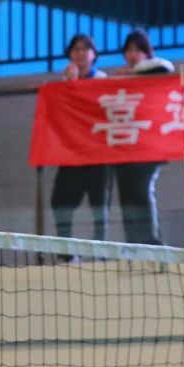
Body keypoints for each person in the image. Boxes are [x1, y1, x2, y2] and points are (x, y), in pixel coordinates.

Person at [110, 30, 173, 244]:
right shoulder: (122, 80)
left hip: (148, 145)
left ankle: (152, 242)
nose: (132, 54)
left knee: (141, 191)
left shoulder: (154, 70)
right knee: (126, 197)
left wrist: (131, 73)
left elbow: (165, 67)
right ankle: (133, 242)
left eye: (137, 50)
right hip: (125, 146)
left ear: (147, 52)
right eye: (128, 50)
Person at [50, 34, 109, 240]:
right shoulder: (64, 83)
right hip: (72, 154)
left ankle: (100, 251)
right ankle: (66, 251)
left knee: (99, 207)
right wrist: (69, 83)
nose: (81, 53)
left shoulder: (102, 80)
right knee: (59, 202)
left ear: (94, 54)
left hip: (98, 155)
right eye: (76, 49)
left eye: (85, 49)